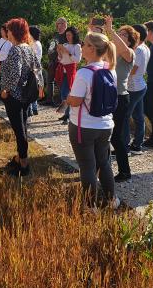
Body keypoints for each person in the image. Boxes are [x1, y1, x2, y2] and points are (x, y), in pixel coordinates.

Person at [67, 32, 120, 209]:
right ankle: (112, 200)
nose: (82, 47)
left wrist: (68, 98)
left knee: (88, 167)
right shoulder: (110, 68)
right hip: (106, 125)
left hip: (84, 126)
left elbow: (76, 100)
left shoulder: (84, 73)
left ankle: (91, 206)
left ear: (92, 48)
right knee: (104, 163)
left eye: (85, 44)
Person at [1, 18, 43, 176]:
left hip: (15, 96)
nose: (7, 32)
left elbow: (15, 73)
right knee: (23, 127)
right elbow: (38, 68)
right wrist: (40, 86)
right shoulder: (28, 48)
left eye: (9, 29)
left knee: (19, 130)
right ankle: (20, 158)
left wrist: (6, 89)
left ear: (14, 32)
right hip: (25, 95)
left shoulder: (16, 49)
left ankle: (23, 164)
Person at [104, 17, 138, 183]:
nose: (119, 35)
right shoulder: (114, 53)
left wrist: (111, 31)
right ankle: (102, 168)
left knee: (116, 137)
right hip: (108, 96)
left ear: (130, 40)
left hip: (120, 97)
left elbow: (124, 49)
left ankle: (125, 172)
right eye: (119, 33)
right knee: (104, 134)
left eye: (123, 34)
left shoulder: (130, 53)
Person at [125, 24, 150, 155]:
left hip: (133, 87)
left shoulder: (139, 49)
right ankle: (137, 145)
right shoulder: (145, 47)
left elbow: (133, 70)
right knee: (138, 117)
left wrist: (121, 77)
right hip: (140, 85)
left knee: (125, 116)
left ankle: (125, 146)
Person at [55, 26, 81, 124]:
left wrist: (68, 53)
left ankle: (67, 114)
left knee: (65, 92)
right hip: (62, 70)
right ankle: (67, 114)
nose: (68, 37)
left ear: (74, 35)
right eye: (66, 35)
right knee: (64, 91)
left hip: (70, 71)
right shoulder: (65, 44)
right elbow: (60, 59)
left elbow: (77, 60)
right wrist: (59, 53)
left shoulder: (77, 46)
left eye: (69, 35)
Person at [43, 17, 67, 105]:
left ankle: (60, 101)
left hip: (60, 62)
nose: (58, 26)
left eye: (59, 24)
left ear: (64, 24)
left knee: (59, 81)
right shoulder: (55, 35)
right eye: (57, 24)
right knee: (50, 80)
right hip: (52, 61)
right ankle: (49, 100)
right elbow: (52, 47)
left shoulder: (67, 35)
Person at [0, 23, 13, 99]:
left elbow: (7, 53)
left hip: (5, 62)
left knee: (4, 79)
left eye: (2, 30)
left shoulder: (10, 41)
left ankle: (5, 95)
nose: (1, 32)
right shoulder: (1, 40)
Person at [27, 25, 42, 117]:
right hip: (36, 68)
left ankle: (30, 110)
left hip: (33, 69)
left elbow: (32, 57)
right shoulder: (37, 43)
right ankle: (34, 108)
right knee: (33, 89)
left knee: (30, 89)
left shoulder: (34, 44)